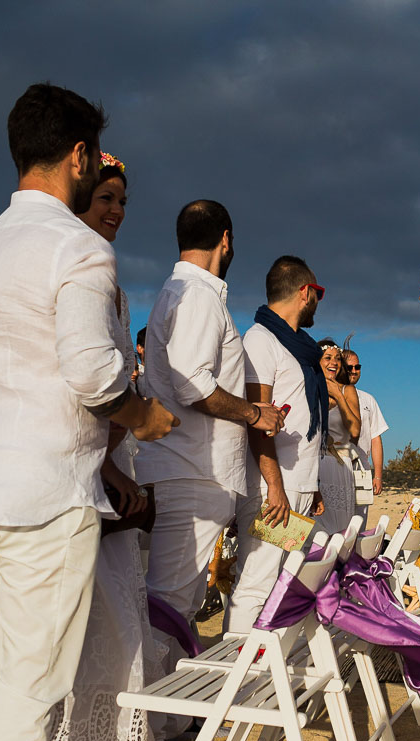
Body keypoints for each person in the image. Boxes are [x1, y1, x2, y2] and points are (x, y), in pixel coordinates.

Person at [0, 83, 177, 741]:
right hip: (46, 494)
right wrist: (145, 418)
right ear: (80, 155)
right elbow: (94, 373)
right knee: (30, 682)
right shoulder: (75, 246)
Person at [42, 151, 169, 741]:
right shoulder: (70, 266)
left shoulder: (111, 283)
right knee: (74, 619)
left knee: (117, 619)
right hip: (78, 463)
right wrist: (117, 448)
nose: (116, 212)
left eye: (122, 201)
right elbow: (78, 380)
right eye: (105, 200)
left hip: (111, 459)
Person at [136, 199, 283, 664]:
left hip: (191, 469)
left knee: (180, 601)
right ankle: (153, 725)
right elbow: (193, 383)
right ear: (226, 239)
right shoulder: (196, 295)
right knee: (170, 603)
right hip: (190, 471)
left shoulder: (187, 292)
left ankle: (167, 721)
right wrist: (255, 414)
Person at [225, 255, 327, 633]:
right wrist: (275, 487)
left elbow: (303, 421)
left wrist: (309, 484)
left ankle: (265, 677)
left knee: (283, 582)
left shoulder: (300, 348)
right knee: (256, 580)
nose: (319, 299)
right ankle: (234, 680)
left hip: (296, 485)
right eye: (318, 291)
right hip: (273, 487)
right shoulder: (261, 339)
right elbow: (256, 419)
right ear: (304, 292)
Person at [314, 338, 361, 535]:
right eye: (327, 358)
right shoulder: (309, 389)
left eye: (337, 359)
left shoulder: (347, 390)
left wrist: (338, 395)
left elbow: (355, 431)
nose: (333, 362)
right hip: (314, 465)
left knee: (340, 530)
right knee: (314, 528)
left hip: (339, 464)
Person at [344, 346, 388, 527]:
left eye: (357, 367)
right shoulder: (328, 395)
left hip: (361, 470)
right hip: (336, 466)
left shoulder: (368, 399)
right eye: (350, 367)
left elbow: (375, 438)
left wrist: (377, 475)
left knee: (359, 523)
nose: (354, 371)